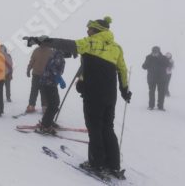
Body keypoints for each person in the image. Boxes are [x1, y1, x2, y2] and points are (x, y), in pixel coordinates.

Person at [25, 16, 131, 178]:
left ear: (96, 30)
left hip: (94, 94)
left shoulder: (90, 42)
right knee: (107, 127)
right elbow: (123, 70)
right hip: (110, 96)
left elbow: (65, 44)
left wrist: (41, 40)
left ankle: (96, 163)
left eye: (90, 28)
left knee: (95, 128)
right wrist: (124, 90)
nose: (87, 31)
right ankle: (113, 164)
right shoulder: (117, 48)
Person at [36, 50, 66, 134]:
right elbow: (52, 66)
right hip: (49, 83)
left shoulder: (56, 54)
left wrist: (58, 78)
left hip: (47, 83)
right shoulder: (59, 55)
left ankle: (47, 122)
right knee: (54, 104)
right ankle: (46, 126)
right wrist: (59, 78)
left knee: (52, 104)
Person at [26, 42, 54, 113]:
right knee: (42, 91)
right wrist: (28, 69)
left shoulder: (38, 50)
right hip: (42, 75)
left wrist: (28, 69)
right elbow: (32, 61)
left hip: (40, 75)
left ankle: (32, 106)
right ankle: (43, 107)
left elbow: (32, 61)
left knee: (35, 91)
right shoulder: (50, 51)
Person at [142, 46, 171, 110]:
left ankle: (160, 106)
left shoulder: (164, 58)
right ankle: (151, 105)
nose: (154, 53)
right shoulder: (149, 57)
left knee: (161, 93)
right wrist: (147, 63)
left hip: (161, 78)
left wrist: (161, 59)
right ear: (152, 51)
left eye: (156, 52)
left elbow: (168, 64)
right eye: (153, 52)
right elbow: (144, 67)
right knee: (151, 92)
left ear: (159, 52)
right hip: (151, 78)